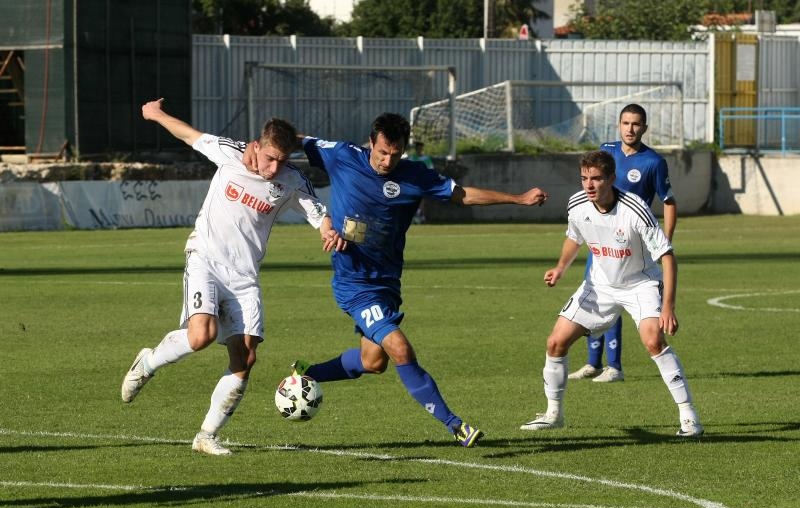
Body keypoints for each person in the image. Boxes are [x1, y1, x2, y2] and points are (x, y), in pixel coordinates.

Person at [243, 112, 549, 447]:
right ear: (371, 142)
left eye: (396, 154)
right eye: (383, 152)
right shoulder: (342, 155)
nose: (388, 160)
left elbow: (462, 194)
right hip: (354, 284)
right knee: (401, 348)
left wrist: (517, 199)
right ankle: (455, 425)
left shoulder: (414, 174)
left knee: (373, 362)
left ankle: (308, 372)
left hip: (387, 283)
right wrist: (251, 150)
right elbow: (291, 138)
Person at [120, 98, 345, 455]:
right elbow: (190, 136)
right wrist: (157, 114)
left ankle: (206, 436)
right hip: (205, 260)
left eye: (282, 161)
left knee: (245, 359)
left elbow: (318, 213)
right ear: (257, 145)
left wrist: (327, 230)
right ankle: (147, 362)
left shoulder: (291, 180)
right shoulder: (229, 152)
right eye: (270, 157)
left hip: (244, 276)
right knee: (201, 336)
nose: (273, 167)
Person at [520, 150, 703, 437]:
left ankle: (689, 417)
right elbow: (574, 237)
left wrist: (668, 307)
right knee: (555, 343)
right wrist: (560, 268)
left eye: (596, 179)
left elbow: (667, 257)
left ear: (612, 179)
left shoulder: (635, 209)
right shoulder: (577, 203)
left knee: (654, 340)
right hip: (599, 286)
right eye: (584, 178)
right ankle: (553, 413)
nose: (589, 185)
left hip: (640, 284)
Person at [569, 103, 677, 384]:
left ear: (644, 128)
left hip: (633, 243)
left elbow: (669, 201)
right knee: (593, 293)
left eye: (636, 124)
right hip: (601, 237)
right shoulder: (607, 151)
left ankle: (614, 366)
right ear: (619, 125)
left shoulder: (653, 162)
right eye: (626, 123)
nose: (631, 129)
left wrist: (666, 239)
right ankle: (593, 363)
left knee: (616, 295)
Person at [406, 140, 434, 223]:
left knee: (422, 199)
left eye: (420, 148)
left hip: (423, 182)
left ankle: (421, 216)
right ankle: (414, 216)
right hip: (413, 182)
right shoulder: (412, 158)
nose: (419, 149)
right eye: (417, 148)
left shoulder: (426, 159)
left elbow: (431, 171)